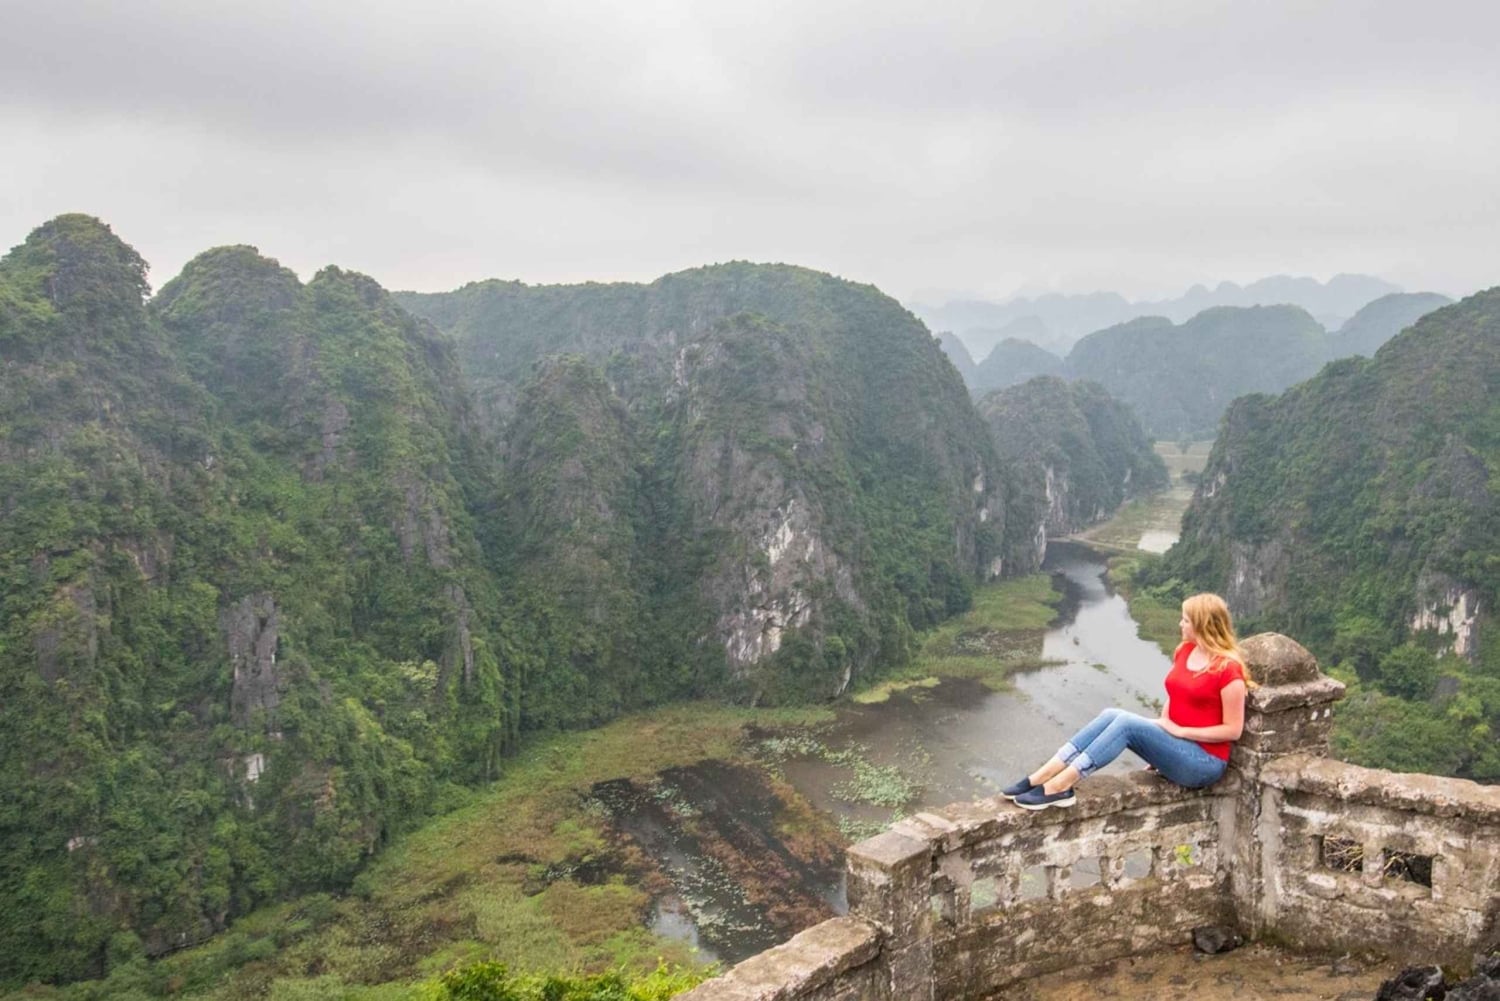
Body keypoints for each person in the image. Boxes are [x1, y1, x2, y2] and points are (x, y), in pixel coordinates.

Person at [1003, 592, 1251, 811]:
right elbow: (1176, 695)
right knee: (1111, 714)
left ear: (1203, 625)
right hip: (1178, 747)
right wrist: (1159, 745)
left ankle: (1060, 786)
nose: (1180, 624)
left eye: (1185, 620)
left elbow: (1233, 730)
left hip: (1204, 763)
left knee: (1126, 725)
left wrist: (1181, 731)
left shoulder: (1228, 670)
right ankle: (1041, 776)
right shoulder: (1185, 651)